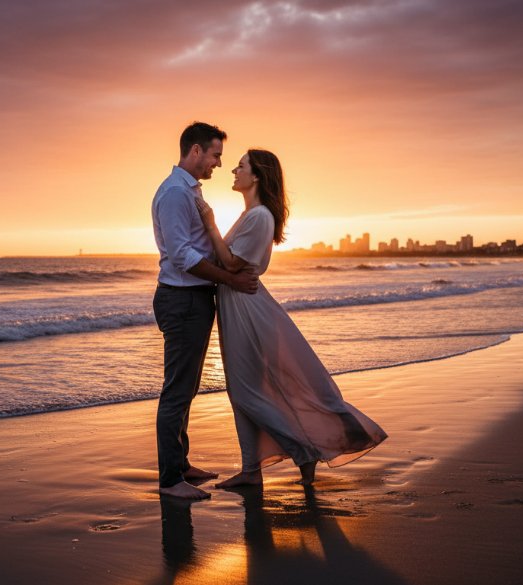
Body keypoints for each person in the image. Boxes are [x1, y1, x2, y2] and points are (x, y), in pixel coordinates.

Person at [194, 149, 387, 487]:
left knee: (244, 392)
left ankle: (304, 449)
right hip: (237, 303)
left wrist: (209, 223)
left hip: (245, 307)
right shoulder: (250, 214)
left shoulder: (259, 217)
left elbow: (234, 264)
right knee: (242, 390)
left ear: (257, 176)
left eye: (241, 166)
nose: (233, 171)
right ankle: (252, 471)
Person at [152, 122, 259, 500]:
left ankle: (181, 464)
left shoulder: (190, 191)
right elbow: (182, 256)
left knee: (188, 387)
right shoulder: (174, 195)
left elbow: (199, 247)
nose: (217, 163)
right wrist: (229, 280)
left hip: (194, 299)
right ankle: (169, 481)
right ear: (195, 151)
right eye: (215, 155)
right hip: (181, 300)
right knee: (177, 390)